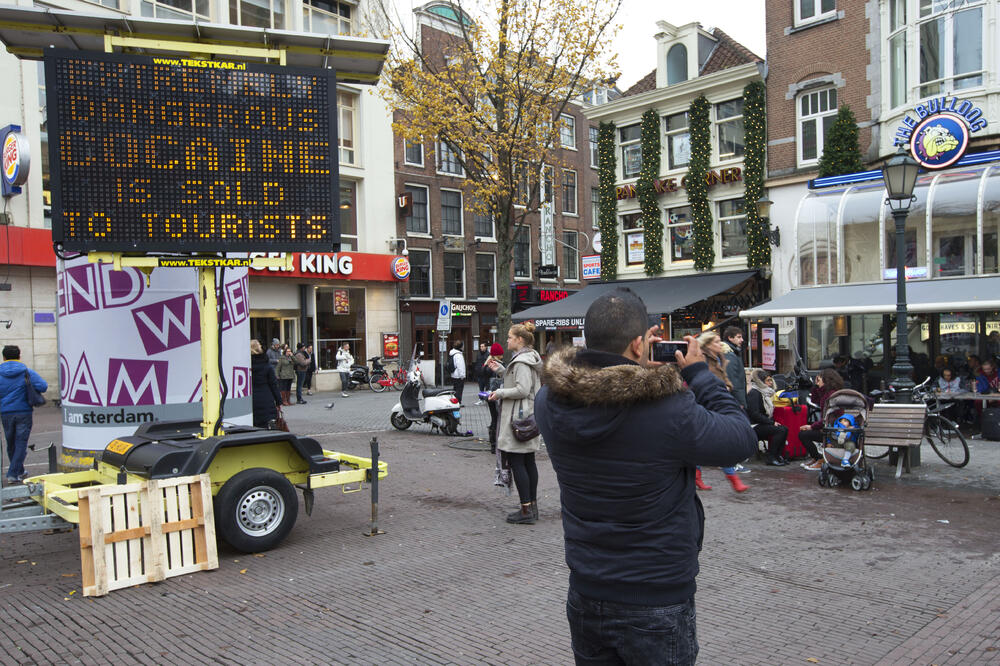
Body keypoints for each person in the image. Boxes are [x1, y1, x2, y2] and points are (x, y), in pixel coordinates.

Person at [534, 288, 757, 665]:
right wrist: (700, 374)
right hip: (656, 597)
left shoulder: (549, 401)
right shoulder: (670, 409)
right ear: (640, 344)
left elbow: (605, 392)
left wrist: (635, 372)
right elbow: (740, 439)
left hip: (587, 591)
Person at [487, 323, 543, 524]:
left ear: (520, 340)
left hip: (518, 419)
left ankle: (526, 510)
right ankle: (532, 507)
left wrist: (499, 393)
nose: (507, 340)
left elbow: (522, 389)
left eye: (510, 337)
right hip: (528, 417)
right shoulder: (530, 358)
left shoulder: (521, 362)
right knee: (528, 461)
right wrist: (502, 370)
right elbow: (521, 383)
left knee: (518, 462)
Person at [697, 330, 749, 492]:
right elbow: (700, 381)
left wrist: (727, 387)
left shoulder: (721, 358)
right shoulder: (703, 359)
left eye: (720, 341)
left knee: (711, 440)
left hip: (718, 403)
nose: (720, 344)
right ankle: (732, 478)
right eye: (716, 342)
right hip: (706, 404)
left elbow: (725, 378)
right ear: (707, 345)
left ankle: (729, 477)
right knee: (714, 440)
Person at [0, 345, 48, 484]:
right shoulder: (26, 372)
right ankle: (13, 473)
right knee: (20, 442)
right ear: (19, 356)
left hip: (6, 413)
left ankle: (18, 471)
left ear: (4, 357)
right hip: (23, 412)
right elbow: (43, 386)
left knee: (11, 443)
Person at [798, 368, 845, 470]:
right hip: (828, 427)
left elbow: (829, 418)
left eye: (819, 379)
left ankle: (820, 459)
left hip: (833, 430)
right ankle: (817, 458)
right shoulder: (826, 393)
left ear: (826, 380)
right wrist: (815, 386)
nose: (817, 381)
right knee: (804, 433)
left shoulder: (830, 395)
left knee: (804, 434)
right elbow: (815, 400)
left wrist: (811, 426)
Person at [747, 369, 789, 466]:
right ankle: (771, 456)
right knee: (779, 430)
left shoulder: (765, 393)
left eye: (771, 380)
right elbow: (754, 414)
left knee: (784, 429)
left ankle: (778, 455)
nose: (770, 383)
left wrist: (771, 422)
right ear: (761, 382)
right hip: (753, 425)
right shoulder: (754, 393)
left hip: (762, 423)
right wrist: (771, 423)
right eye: (768, 380)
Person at [250, 339, 282, 429]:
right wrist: (278, 401)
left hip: (251, 400)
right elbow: (273, 384)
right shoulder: (266, 365)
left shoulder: (246, 366)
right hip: (266, 399)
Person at [485, 343, 504, 452]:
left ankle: (493, 442)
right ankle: (495, 443)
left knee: (494, 418)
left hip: (489, 394)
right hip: (497, 394)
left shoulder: (487, 363)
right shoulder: (497, 365)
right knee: (498, 418)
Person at [722, 326, 747, 409]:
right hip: (735, 401)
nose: (742, 340)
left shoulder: (732, 352)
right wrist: (740, 402)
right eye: (739, 337)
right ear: (730, 338)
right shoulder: (730, 354)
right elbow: (734, 381)